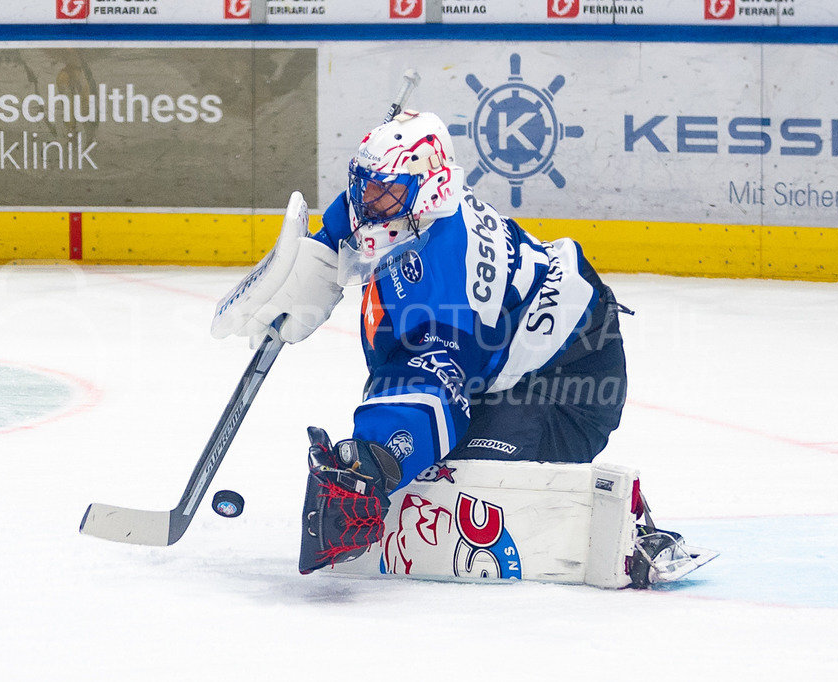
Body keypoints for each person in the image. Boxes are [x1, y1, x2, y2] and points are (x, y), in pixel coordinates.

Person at [212, 110, 631, 575]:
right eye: (365, 184)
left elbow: (434, 388)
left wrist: (374, 462)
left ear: (428, 191)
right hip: (516, 349)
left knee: (446, 486)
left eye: (385, 191)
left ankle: (626, 530)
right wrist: (319, 253)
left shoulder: (445, 281)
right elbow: (351, 215)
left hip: (569, 385)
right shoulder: (410, 206)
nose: (367, 200)